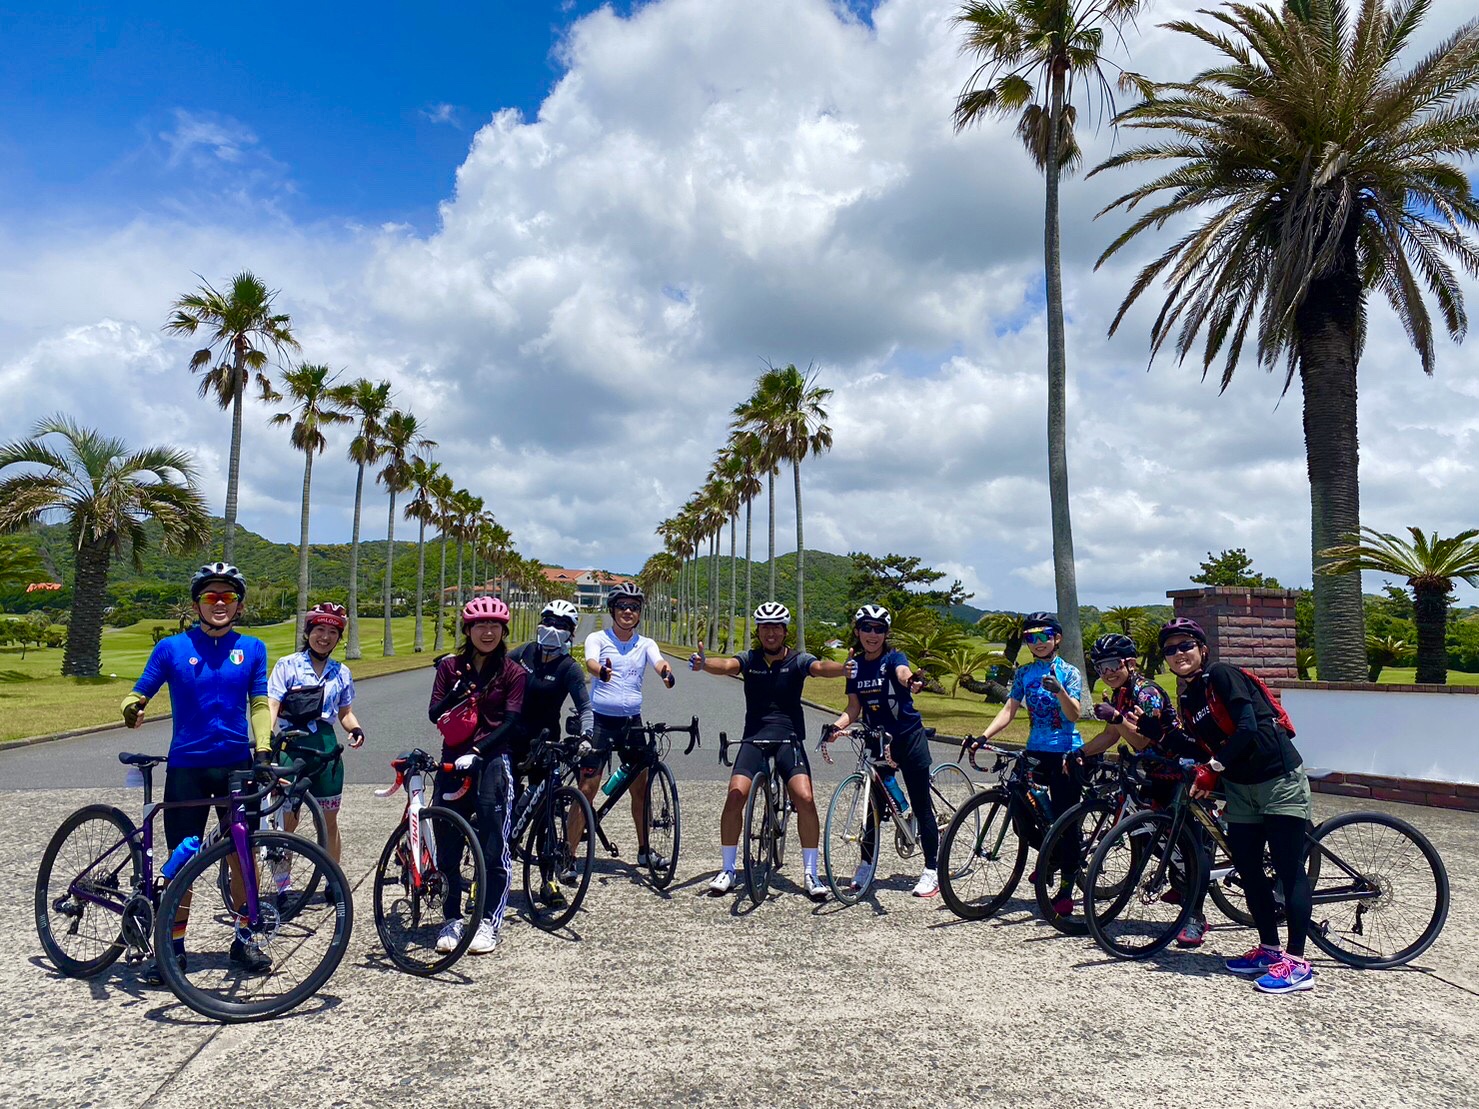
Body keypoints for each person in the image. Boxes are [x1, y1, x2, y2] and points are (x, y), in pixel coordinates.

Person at [120, 562, 272, 982]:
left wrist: (263, 750)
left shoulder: (253, 648)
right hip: (187, 767)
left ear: (239, 605)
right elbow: (141, 688)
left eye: (228, 596)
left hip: (237, 766)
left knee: (244, 857)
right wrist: (132, 706)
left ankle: (245, 941)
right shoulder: (171, 648)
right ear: (196, 604)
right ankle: (174, 949)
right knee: (183, 857)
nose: (220, 603)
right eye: (211, 596)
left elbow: (259, 704)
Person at [1159, 617, 1316, 994]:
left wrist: (1212, 769)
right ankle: (1269, 949)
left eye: (1186, 646)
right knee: (1248, 869)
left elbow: (1248, 728)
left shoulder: (1221, 675)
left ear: (1202, 648)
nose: (1179, 654)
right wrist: (1145, 728)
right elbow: (1200, 746)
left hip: (1278, 778)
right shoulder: (1189, 696)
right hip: (1240, 788)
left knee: (1287, 869)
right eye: (1170, 649)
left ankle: (1296, 963)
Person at [690, 601, 846, 900]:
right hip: (755, 737)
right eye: (765, 627)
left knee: (805, 797)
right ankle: (727, 869)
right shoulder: (750, 659)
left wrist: (844, 669)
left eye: (776, 627)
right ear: (758, 631)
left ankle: (811, 873)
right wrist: (703, 663)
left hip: (789, 738)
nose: (770, 633)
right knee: (736, 794)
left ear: (785, 631)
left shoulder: (798, 661)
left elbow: (820, 668)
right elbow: (725, 666)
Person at [1069, 632, 1215, 944]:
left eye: (1112, 664)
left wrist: (1119, 718)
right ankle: (1179, 879)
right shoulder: (1120, 693)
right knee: (1149, 835)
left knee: (1187, 844)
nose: (1106, 672)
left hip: (1177, 771)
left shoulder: (1146, 692)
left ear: (1130, 663)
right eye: (1099, 666)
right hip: (1150, 772)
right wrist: (1081, 752)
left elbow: (1141, 739)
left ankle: (1196, 916)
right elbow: (1111, 736)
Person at [427, 596, 526, 956]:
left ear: (503, 631)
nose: (488, 632)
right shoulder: (450, 667)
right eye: (480, 626)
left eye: (495, 626)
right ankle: (451, 917)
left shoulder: (513, 672)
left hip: (493, 762)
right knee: (448, 843)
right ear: (468, 630)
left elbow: (513, 721)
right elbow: (434, 713)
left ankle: (487, 921)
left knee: (492, 845)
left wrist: (480, 752)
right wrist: (455, 691)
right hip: (452, 761)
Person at [969, 611, 1085, 915]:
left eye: (1044, 636)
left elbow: (1074, 715)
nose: (1038, 642)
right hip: (1034, 749)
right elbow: (1009, 709)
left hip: (1065, 752)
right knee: (1020, 812)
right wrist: (983, 736)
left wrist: (1059, 691)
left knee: (1065, 819)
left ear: (1057, 638)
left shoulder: (1069, 672)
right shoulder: (1024, 674)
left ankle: (1066, 886)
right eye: (1031, 637)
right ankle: (1053, 855)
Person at [822, 605, 938, 898]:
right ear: (857, 631)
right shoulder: (855, 666)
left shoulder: (893, 658)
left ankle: (932, 870)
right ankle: (866, 864)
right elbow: (853, 708)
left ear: (886, 634)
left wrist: (911, 680)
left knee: (922, 803)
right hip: (876, 739)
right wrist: (836, 727)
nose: (873, 635)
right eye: (867, 628)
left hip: (907, 737)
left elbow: (902, 673)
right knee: (872, 808)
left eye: (879, 629)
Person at [575, 583, 675, 869]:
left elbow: (659, 662)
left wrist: (666, 673)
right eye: (622, 607)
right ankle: (568, 856)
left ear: (639, 613)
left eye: (634, 607)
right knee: (587, 788)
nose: (628, 612)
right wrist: (601, 672)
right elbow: (592, 662)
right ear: (612, 610)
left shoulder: (645, 644)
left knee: (640, 789)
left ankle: (644, 851)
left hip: (632, 723)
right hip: (601, 721)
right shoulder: (597, 637)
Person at [266, 602, 365, 868]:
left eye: (332, 632)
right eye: (319, 629)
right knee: (288, 821)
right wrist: (264, 742)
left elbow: (345, 712)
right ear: (308, 632)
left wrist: (355, 729)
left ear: (339, 638)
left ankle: (333, 877)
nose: (325, 637)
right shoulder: (287, 665)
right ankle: (283, 884)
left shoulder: (341, 672)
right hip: (292, 748)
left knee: (328, 821)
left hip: (326, 750)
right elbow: (272, 705)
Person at [510, 598, 594, 898]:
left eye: (561, 625)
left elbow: (585, 706)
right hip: (510, 739)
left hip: (545, 744)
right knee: (499, 808)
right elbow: (493, 672)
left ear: (571, 634)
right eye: (548, 621)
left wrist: (586, 736)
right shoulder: (524, 653)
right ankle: (484, 879)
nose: (552, 628)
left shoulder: (568, 668)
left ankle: (548, 881)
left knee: (545, 816)